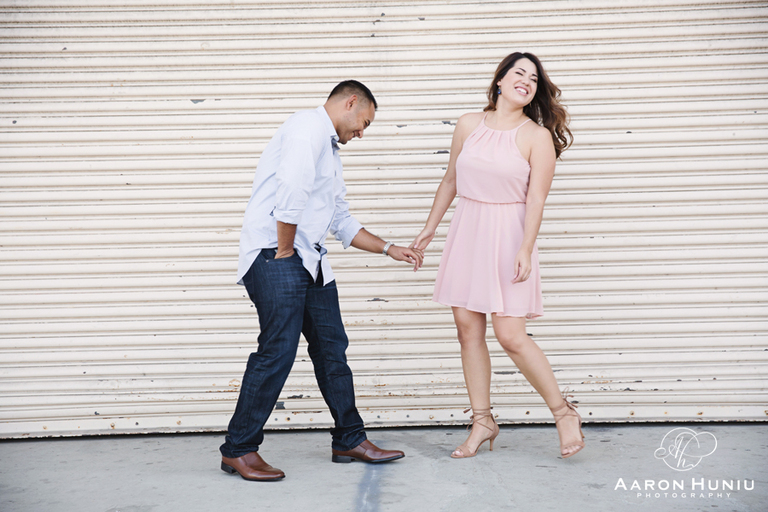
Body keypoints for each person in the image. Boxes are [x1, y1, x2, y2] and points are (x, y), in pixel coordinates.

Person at [221, 80, 424, 481]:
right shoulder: (306, 128)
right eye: (364, 123)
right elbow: (291, 191)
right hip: (275, 254)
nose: (362, 133)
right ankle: (239, 449)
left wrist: (389, 248)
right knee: (277, 350)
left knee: (332, 348)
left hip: (309, 260)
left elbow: (340, 219)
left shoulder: (328, 149)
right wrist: (284, 250)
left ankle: (349, 438)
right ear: (351, 103)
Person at [410, 53, 584, 459]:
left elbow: (536, 199)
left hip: (509, 236)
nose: (527, 81)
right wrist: (430, 228)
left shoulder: (536, 136)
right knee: (467, 331)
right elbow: (451, 180)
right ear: (500, 80)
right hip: (467, 230)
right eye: (519, 73)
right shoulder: (468, 123)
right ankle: (482, 420)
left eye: (534, 79)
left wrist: (525, 247)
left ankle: (564, 413)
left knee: (510, 336)